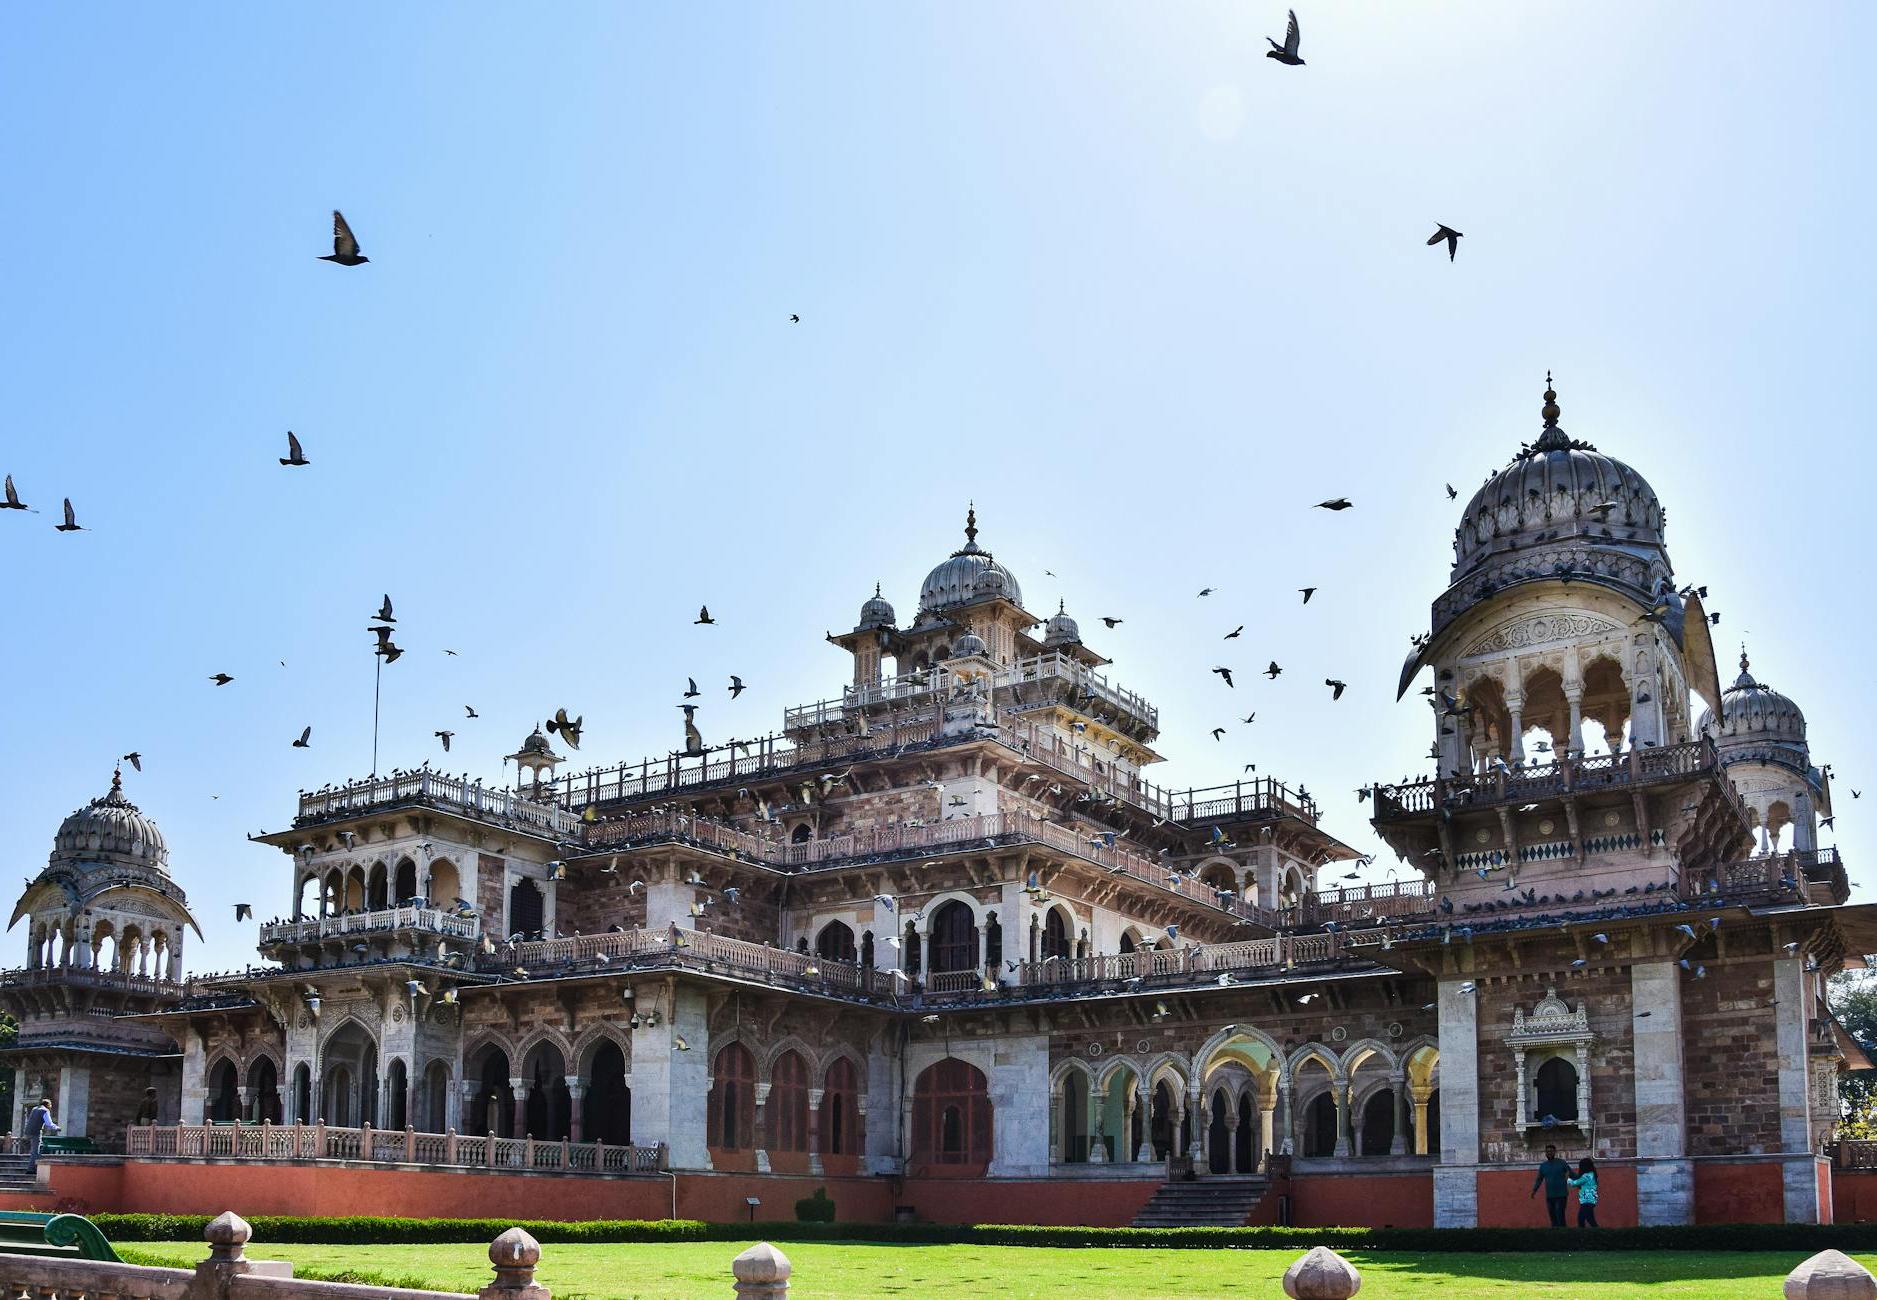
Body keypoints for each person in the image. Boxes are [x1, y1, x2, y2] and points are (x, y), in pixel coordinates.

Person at [1530, 1143, 1571, 1227]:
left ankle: (1563, 1233)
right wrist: (1534, 1190)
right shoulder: (1543, 1166)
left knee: (1560, 1214)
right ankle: (1554, 1234)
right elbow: (1539, 1179)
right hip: (1550, 1195)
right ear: (1545, 1153)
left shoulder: (1562, 1163)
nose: (1549, 1153)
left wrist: (1581, 1183)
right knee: (1552, 1216)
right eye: (1547, 1151)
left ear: (1554, 1152)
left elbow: (1571, 1173)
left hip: (1561, 1194)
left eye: (1551, 1151)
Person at [23, 1097, 60, 1165]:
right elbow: (49, 1123)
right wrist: (57, 1128)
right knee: (35, 1151)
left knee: (37, 1148)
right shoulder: (45, 1110)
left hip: (28, 1131)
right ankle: (31, 1169)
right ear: (48, 1105)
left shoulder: (35, 1109)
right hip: (36, 1132)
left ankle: (36, 1164)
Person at [1567, 1157, 1599, 1227]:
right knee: (1588, 1219)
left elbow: (1574, 1183)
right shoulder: (1593, 1175)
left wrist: (1567, 1178)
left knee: (1582, 1219)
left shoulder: (1586, 1176)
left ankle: (1584, 1234)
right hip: (1591, 1200)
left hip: (1586, 1200)